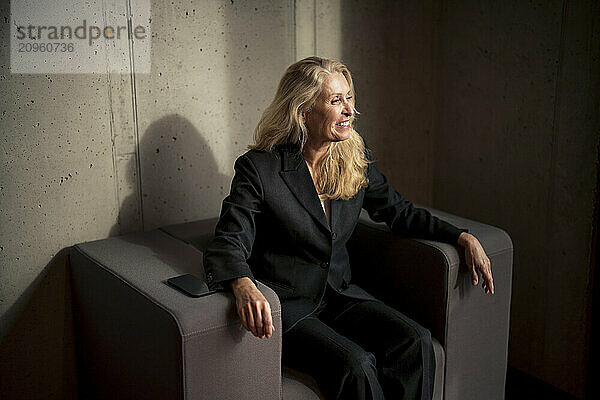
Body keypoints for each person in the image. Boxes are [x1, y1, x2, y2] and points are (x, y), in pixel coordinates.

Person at [203, 56, 494, 400]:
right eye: (335, 100)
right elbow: (229, 239)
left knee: (415, 341)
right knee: (356, 364)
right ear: (303, 110)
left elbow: (400, 212)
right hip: (291, 305)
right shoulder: (260, 169)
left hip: (341, 294)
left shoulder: (353, 156)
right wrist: (243, 283)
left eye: (350, 98)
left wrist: (461, 236)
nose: (349, 111)